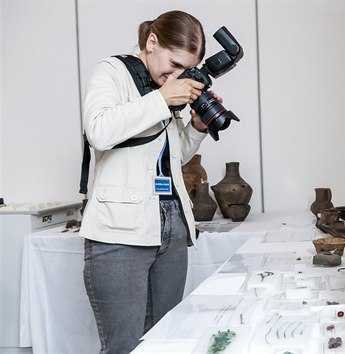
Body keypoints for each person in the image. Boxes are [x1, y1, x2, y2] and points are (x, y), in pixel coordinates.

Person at [79, 10, 218, 353]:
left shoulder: (161, 86)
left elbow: (169, 158)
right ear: (152, 42)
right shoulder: (113, 71)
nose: (177, 75)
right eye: (173, 63)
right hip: (119, 234)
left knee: (164, 341)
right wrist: (161, 100)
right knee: (125, 346)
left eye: (185, 70)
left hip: (171, 225)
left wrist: (197, 128)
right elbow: (98, 131)